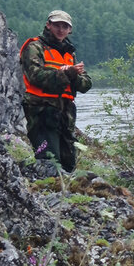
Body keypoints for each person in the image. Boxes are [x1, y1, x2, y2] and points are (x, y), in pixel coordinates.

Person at [20, 10, 92, 172]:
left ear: (70, 30)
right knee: (50, 163)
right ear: (48, 25)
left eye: (65, 26)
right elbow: (35, 76)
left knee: (68, 164)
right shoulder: (34, 47)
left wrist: (73, 76)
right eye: (57, 25)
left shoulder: (69, 53)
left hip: (65, 116)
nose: (61, 29)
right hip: (41, 112)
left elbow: (86, 84)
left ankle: (62, 194)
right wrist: (65, 74)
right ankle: (45, 194)